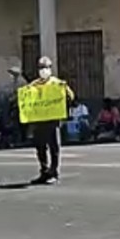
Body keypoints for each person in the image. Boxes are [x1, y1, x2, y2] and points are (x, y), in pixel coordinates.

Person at [27, 56, 74, 185]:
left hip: (53, 120)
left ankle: (54, 172)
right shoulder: (34, 85)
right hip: (39, 120)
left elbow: (71, 96)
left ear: (50, 68)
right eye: (41, 67)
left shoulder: (57, 83)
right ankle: (44, 171)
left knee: (54, 147)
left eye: (46, 67)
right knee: (40, 147)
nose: (43, 70)